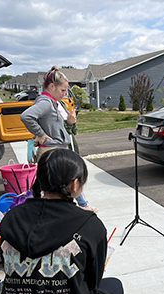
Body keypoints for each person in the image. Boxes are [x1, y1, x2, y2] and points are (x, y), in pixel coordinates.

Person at [0, 148, 123, 294]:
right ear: (74, 185)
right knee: (113, 289)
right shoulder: (90, 226)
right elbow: (92, 285)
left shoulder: (12, 217)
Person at [21, 66, 97, 212]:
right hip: (52, 150)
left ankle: (79, 205)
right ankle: (70, 209)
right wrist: (40, 134)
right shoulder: (45, 102)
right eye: (62, 90)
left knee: (60, 182)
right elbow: (26, 116)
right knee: (60, 186)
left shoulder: (52, 102)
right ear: (51, 86)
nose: (64, 94)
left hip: (56, 148)